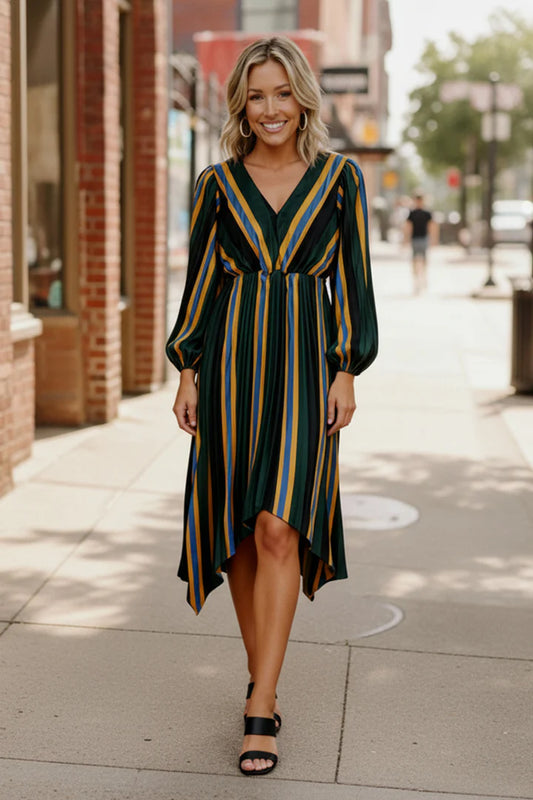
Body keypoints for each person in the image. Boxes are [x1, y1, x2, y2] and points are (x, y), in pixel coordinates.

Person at [166, 36, 378, 777]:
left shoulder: (341, 180)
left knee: (280, 527)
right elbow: (201, 283)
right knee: (240, 537)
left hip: (307, 369)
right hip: (230, 367)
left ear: (303, 99)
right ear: (241, 106)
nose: (269, 109)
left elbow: (354, 281)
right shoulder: (217, 184)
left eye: (281, 93)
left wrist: (347, 368)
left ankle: (260, 703)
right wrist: (188, 369)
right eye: (255, 96)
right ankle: (266, 680)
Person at [404, 193, 435, 293]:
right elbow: (408, 226)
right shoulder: (412, 213)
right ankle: (416, 280)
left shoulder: (427, 213)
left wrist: (433, 239)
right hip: (415, 238)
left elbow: (432, 226)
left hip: (424, 238)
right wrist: (406, 239)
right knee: (414, 260)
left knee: (424, 260)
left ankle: (424, 278)